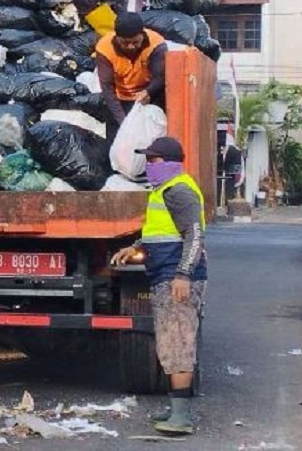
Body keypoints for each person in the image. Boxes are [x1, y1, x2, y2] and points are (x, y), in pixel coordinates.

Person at [111, 137, 207, 436]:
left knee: (177, 344)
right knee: (168, 342)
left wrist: (183, 274)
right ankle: (175, 408)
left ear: (171, 163)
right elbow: (161, 231)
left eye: (153, 161)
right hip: (164, 274)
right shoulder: (164, 191)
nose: (149, 167)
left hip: (176, 278)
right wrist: (136, 246)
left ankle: (181, 418)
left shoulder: (179, 190)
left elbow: (194, 236)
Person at [95, 11, 167, 136]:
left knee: (151, 136)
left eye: (135, 42)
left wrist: (148, 91)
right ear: (116, 38)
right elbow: (107, 87)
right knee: (117, 141)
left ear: (143, 34)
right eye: (124, 43)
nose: (131, 47)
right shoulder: (104, 48)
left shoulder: (156, 44)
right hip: (120, 98)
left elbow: (161, 76)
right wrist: (124, 122)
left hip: (150, 95)